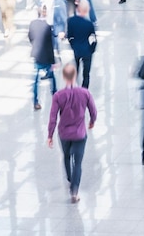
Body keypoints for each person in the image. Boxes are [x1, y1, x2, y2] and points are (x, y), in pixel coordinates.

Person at [48, 64, 97, 203]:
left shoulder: (58, 96)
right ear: (75, 75)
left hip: (64, 133)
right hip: (80, 133)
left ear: (64, 77)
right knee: (78, 163)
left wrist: (50, 135)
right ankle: (74, 191)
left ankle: (70, 178)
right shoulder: (85, 93)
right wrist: (92, 121)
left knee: (66, 156)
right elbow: (93, 111)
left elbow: (53, 118)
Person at [29, 5, 57, 110]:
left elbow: (30, 37)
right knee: (52, 77)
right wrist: (53, 60)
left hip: (36, 54)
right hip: (46, 56)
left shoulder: (32, 24)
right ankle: (55, 95)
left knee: (36, 80)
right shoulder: (47, 27)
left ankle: (35, 101)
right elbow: (50, 45)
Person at [67, 1, 97, 89]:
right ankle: (84, 91)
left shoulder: (71, 21)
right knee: (86, 74)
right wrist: (91, 50)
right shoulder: (89, 24)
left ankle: (74, 88)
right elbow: (93, 40)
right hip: (87, 51)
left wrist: (73, 46)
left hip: (76, 50)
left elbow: (70, 37)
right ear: (87, 10)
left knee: (75, 70)